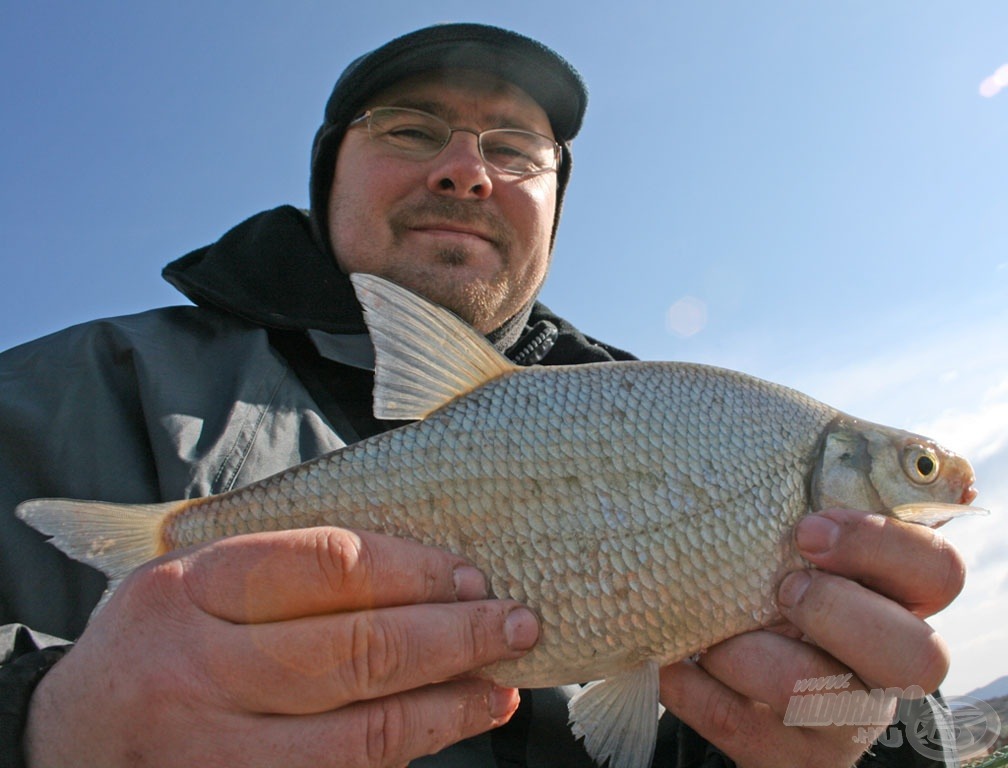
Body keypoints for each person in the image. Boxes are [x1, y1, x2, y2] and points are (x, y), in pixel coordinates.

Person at [0, 22, 964, 768]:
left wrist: (861, 725)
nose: (465, 169)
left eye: (515, 149)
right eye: (414, 130)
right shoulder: (54, 393)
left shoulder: (669, 414)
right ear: (328, 171)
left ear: (555, 205)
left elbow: (729, 728)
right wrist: (45, 723)